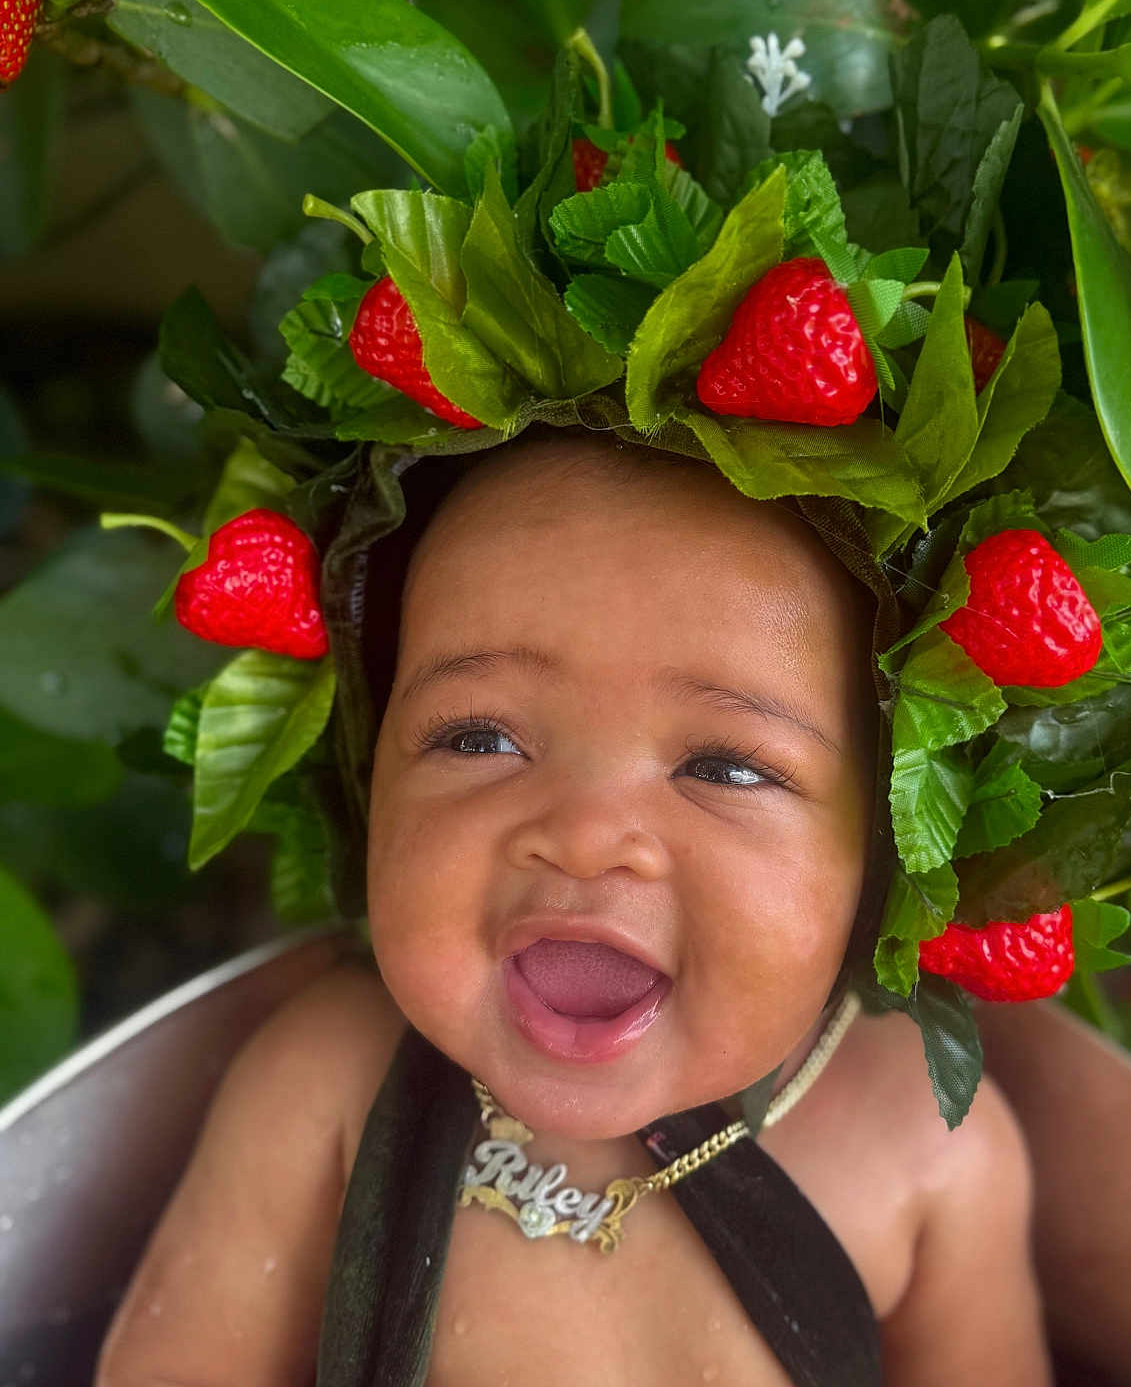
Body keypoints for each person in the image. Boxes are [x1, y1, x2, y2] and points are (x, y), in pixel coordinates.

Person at [94, 427, 1054, 1386]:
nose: (588, 834)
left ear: (892, 848)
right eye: (478, 739)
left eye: (723, 766)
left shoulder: (922, 1155)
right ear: (367, 779)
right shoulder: (323, 1085)